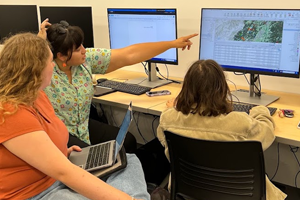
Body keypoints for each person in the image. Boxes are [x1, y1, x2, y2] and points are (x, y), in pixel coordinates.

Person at [0, 33, 149, 200]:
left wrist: (63, 153)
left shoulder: (37, 95)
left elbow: (43, 147)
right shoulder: (11, 112)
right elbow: (65, 173)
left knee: (129, 160)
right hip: (35, 192)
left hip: (56, 174)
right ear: (36, 70)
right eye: (50, 62)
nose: (53, 67)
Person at [38, 19, 198, 151]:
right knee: (89, 156)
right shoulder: (43, 71)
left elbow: (129, 54)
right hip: (57, 133)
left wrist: (171, 44)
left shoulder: (86, 61)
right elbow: (17, 67)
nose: (84, 50)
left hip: (82, 127)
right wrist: (38, 43)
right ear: (61, 55)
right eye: (78, 49)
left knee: (126, 142)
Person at [157, 59, 287, 200]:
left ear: (186, 87)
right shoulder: (240, 123)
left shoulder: (168, 119)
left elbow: (164, 138)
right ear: (222, 88)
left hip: (188, 193)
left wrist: (174, 110)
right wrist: (260, 110)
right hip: (239, 195)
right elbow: (267, 132)